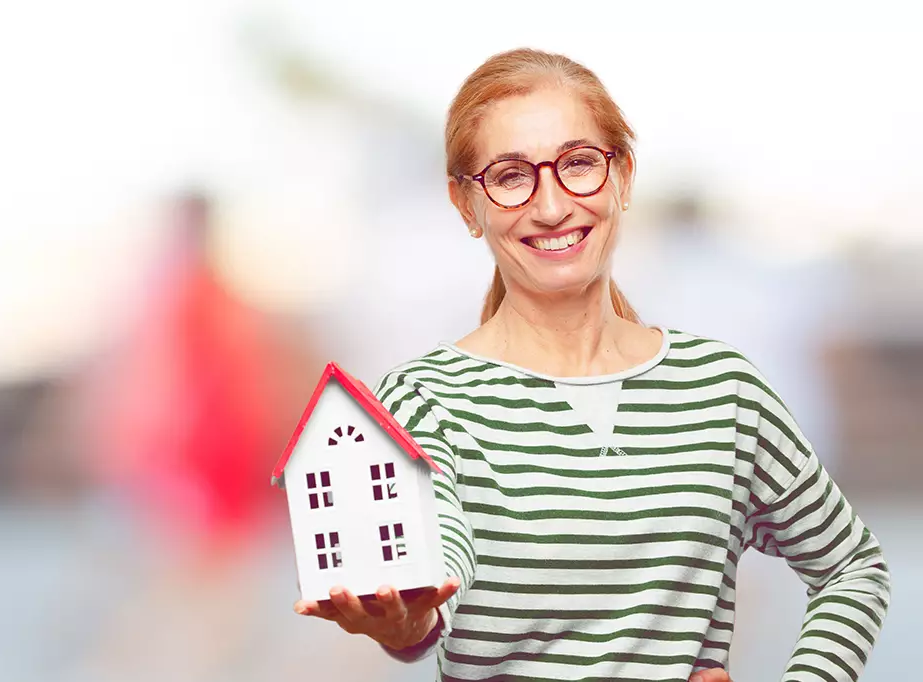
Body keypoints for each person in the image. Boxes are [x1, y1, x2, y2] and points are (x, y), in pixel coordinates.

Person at [293, 48, 890, 681]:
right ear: (467, 205)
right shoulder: (424, 399)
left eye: (578, 164)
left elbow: (853, 567)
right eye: (510, 175)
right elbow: (441, 562)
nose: (551, 207)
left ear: (624, 177)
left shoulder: (724, 389)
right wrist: (409, 619)